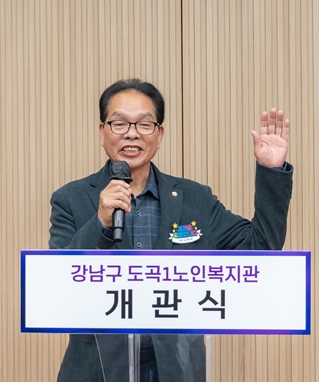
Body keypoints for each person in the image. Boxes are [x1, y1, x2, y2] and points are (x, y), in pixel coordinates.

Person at [49, 79, 293, 382]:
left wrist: (271, 171)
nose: (132, 133)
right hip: (97, 372)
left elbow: (261, 249)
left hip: (177, 370)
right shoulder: (70, 199)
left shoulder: (195, 199)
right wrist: (100, 223)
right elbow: (57, 286)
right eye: (119, 123)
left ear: (160, 134)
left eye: (144, 124)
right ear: (102, 132)